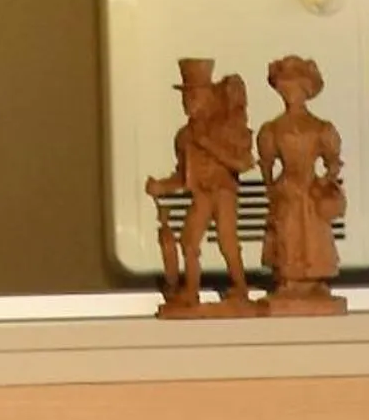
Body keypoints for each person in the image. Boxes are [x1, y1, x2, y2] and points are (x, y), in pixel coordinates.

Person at [148, 58, 253, 311]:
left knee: (227, 241)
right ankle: (190, 292)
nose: (188, 102)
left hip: (224, 193)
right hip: (201, 195)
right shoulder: (184, 137)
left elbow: (243, 163)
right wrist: (162, 186)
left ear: (209, 97)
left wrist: (208, 145)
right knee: (189, 241)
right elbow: (183, 177)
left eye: (194, 96)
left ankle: (240, 288)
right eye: (186, 97)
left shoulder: (227, 127)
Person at [256, 53, 346, 312]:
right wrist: (271, 187)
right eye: (285, 88)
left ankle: (314, 280)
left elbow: (333, 162)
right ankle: (289, 280)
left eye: (294, 88)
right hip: (286, 187)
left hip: (310, 187)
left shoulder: (320, 127)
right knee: (288, 232)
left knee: (313, 234)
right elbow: (266, 163)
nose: (290, 94)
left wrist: (325, 183)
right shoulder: (273, 129)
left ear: (306, 90)